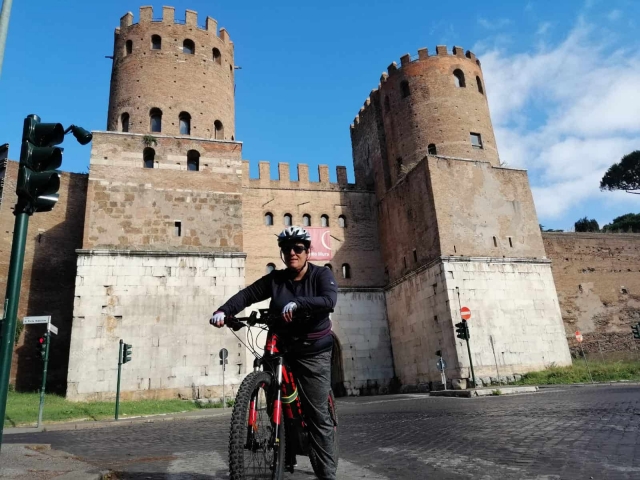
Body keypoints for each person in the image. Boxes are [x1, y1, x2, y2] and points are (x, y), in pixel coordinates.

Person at [210, 226, 338, 480]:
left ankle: (327, 474)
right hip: (282, 345)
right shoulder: (276, 280)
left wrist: (300, 303)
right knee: (272, 397)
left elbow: (328, 300)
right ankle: (283, 442)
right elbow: (247, 295)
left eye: (298, 248)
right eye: (286, 249)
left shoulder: (320, 275)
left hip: (313, 351)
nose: (292, 253)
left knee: (317, 415)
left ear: (307, 251)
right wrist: (224, 310)